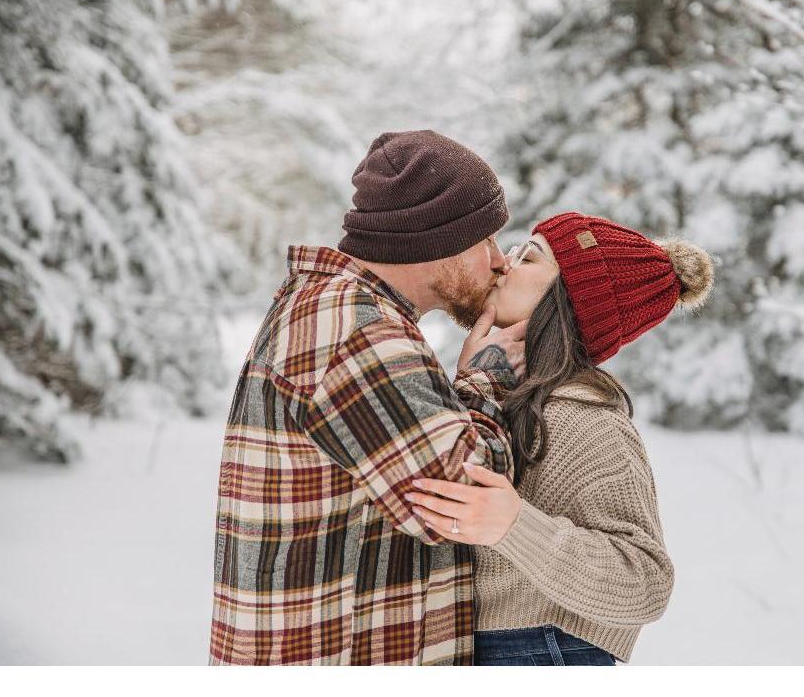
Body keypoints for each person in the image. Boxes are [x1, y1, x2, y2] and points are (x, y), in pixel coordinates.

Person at [209, 129, 527, 665]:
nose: (499, 262)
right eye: (485, 241)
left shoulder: (337, 311)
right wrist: (486, 377)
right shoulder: (357, 332)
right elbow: (463, 496)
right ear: (434, 239)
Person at [406, 211, 714, 665]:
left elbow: (645, 581)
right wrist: (471, 383)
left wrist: (516, 527)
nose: (505, 264)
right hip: (483, 646)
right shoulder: (500, 393)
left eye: (528, 258)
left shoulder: (584, 418)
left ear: (568, 298)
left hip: (540, 648)